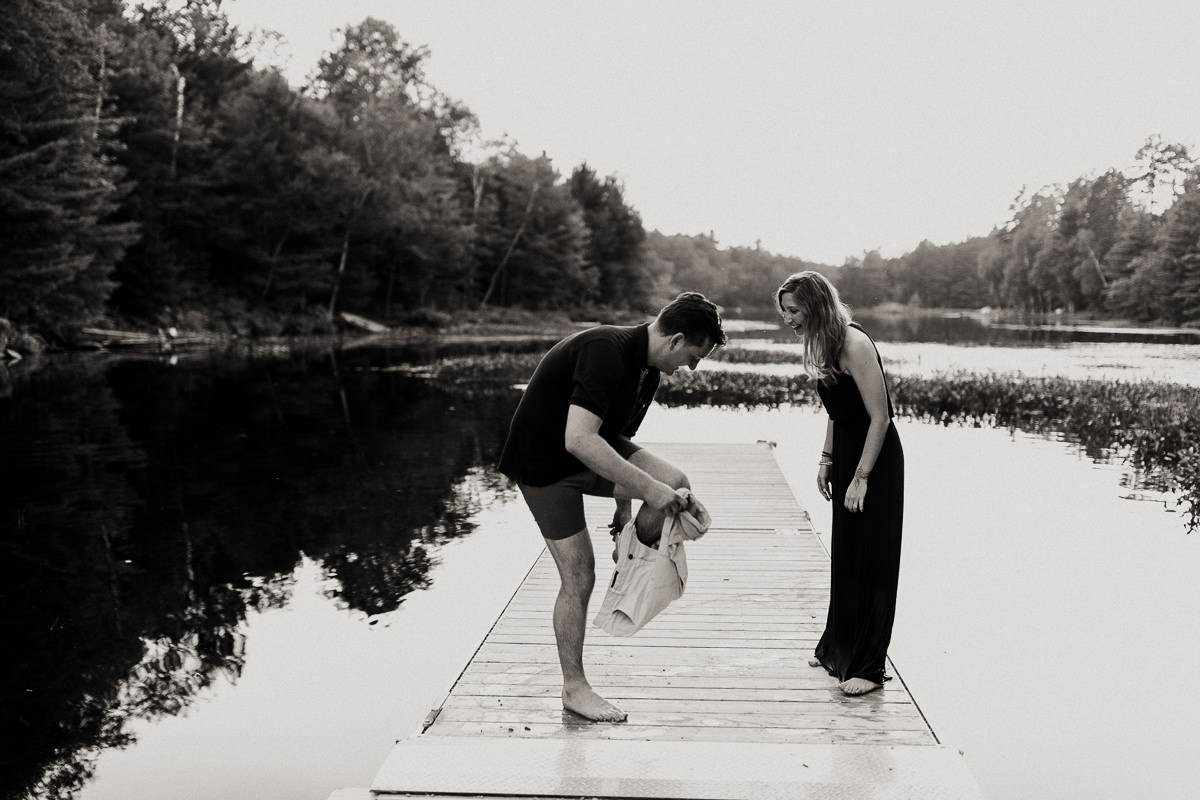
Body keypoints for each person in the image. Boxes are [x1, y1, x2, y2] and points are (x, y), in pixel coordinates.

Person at [498, 292, 726, 721]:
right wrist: (651, 492)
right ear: (676, 340)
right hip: (544, 463)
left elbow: (611, 442)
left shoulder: (648, 371)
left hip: (584, 453)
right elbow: (579, 439)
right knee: (580, 576)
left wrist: (625, 511)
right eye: (694, 357)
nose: (691, 368)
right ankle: (574, 689)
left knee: (676, 482)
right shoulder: (606, 350)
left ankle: (631, 553)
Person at [775, 271, 904, 697]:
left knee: (873, 559)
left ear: (815, 304)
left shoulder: (855, 343)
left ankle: (868, 666)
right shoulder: (825, 343)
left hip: (875, 459)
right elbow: (836, 409)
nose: (789, 319)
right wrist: (828, 459)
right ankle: (838, 648)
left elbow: (880, 418)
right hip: (848, 452)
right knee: (847, 555)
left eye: (794, 310)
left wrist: (861, 477)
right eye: (785, 312)